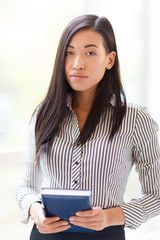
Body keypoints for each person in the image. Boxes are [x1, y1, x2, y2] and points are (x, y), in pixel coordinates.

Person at [16, 14, 160, 240]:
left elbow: (156, 194)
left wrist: (110, 216)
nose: (77, 63)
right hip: (46, 235)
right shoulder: (43, 114)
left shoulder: (135, 119)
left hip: (105, 235)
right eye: (69, 52)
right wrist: (36, 211)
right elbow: (25, 187)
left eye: (90, 52)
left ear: (109, 60)